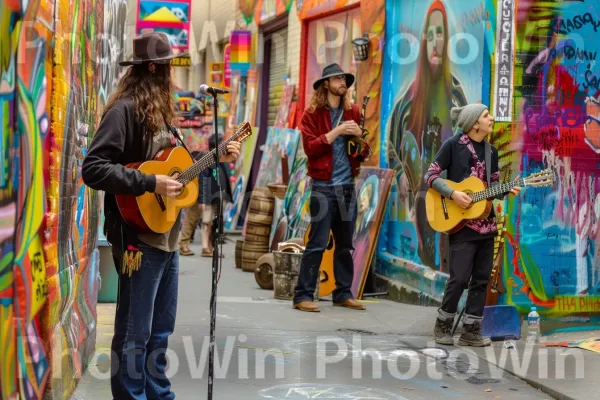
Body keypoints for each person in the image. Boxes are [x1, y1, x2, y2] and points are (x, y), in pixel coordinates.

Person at [81, 32, 240, 399]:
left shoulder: (161, 116)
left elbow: (176, 169)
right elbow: (94, 168)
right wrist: (149, 182)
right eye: (167, 68)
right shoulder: (123, 111)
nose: (172, 77)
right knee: (135, 332)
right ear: (153, 69)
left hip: (165, 236)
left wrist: (216, 157)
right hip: (138, 239)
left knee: (160, 330)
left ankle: (158, 394)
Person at [423, 104, 521, 347]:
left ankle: (471, 331)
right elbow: (431, 176)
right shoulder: (452, 146)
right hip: (461, 224)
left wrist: (507, 190)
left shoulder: (492, 152)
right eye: (486, 116)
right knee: (459, 278)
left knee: (480, 279)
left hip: (487, 225)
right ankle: (443, 325)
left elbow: (493, 188)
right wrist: (454, 194)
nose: (491, 119)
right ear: (474, 123)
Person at [388, 0, 467, 269]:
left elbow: (470, 141)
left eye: (441, 32)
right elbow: (390, 144)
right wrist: (400, 176)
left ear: (447, 39)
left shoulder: (456, 96)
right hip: (421, 196)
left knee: (448, 253)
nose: (435, 41)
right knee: (426, 253)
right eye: (430, 34)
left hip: (451, 193)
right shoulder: (408, 101)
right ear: (424, 40)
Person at [292, 63, 371, 312]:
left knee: (346, 244)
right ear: (326, 83)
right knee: (317, 242)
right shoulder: (312, 114)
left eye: (344, 79)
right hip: (323, 186)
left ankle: (343, 292)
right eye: (338, 79)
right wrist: (336, 131)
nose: (343, 83)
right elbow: (311, 148)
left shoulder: (354, 111)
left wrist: (358, 138)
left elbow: (364, 153)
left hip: (347, 186)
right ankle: (303, 295)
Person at [198, 133, 232, 256]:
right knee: (206, 221)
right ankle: (205, 247)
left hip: (219, 196)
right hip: (208, 197)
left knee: (215, 222)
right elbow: (203, 180)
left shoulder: (222, 158)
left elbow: (225, 177)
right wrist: (202, 200)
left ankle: (211, 246)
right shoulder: (207, 159)